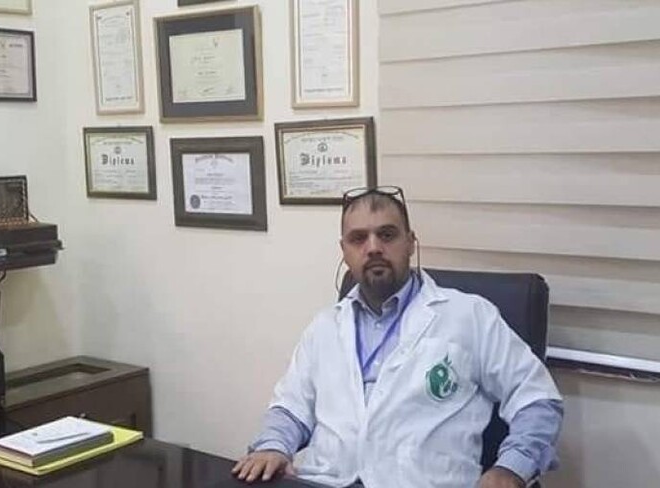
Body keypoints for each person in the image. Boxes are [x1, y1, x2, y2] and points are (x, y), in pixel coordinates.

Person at [232, 187, 563, 488]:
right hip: (325, 481)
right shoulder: (325, 327)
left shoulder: (469, 315)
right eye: (358, 238)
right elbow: (290, 407)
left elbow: (537, 400)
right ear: (344, 251)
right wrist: (273, 445)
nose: (373, 247)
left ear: (410, 242)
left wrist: (511, 468)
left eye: (387, 235)